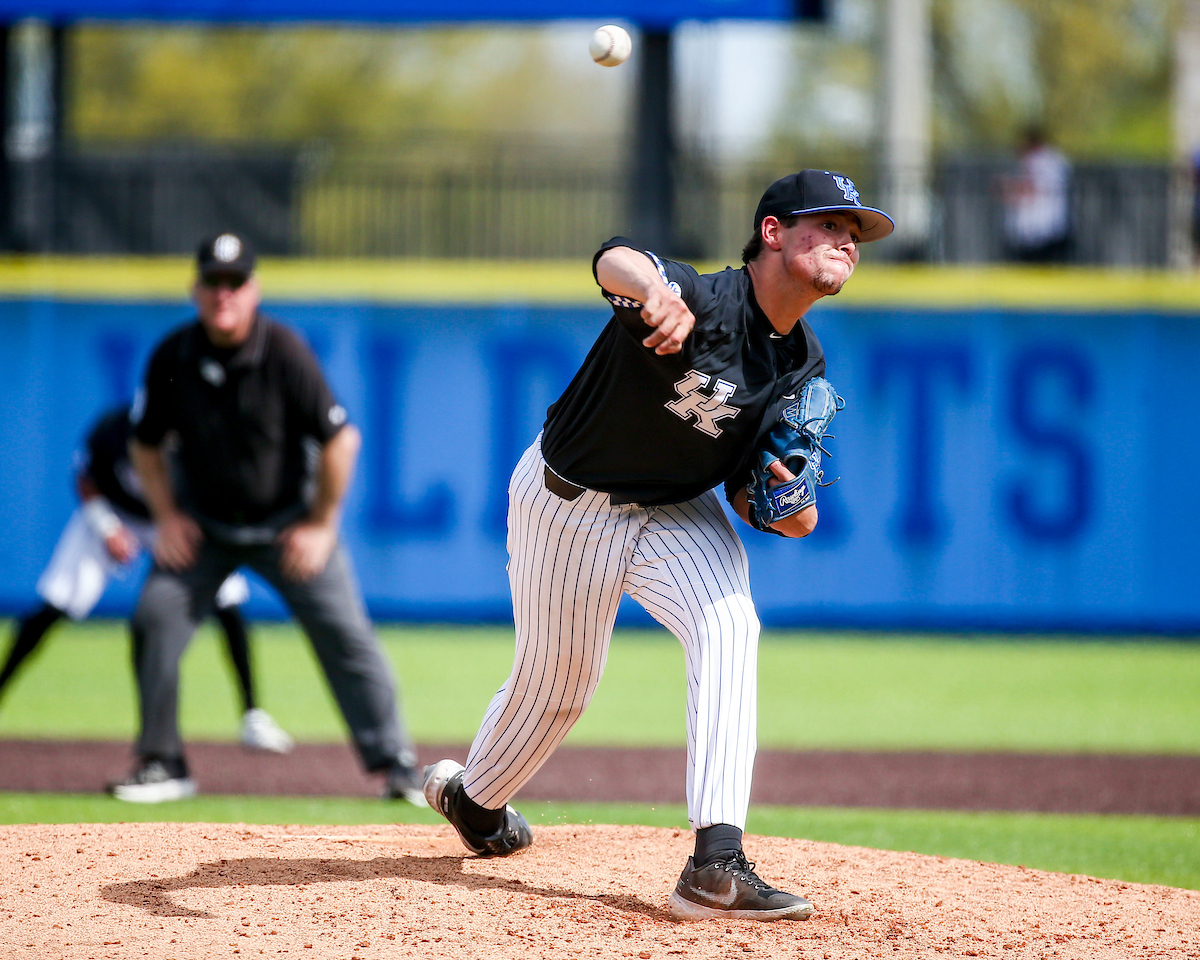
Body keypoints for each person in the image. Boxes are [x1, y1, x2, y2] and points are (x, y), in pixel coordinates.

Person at [423, 170, 894, 921]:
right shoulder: (702, 299)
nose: (845, 240)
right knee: (559, 688)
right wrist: (653, 291)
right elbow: (613, 258)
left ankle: (715, 864)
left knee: (730, 623)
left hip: (676, 509)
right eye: (827, 224)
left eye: (854, 232)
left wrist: (780, 506)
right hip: (569, 504)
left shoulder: (802, 366)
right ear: (771, 231)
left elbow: (749, 489)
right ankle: (472, 803)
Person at [107, 232, 423, 805]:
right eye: (213, 282)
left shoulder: (283, 351)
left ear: (252, 290)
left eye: (234, 283)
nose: (223, 293)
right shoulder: (174, 355)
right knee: (155, 617)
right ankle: (162, 761)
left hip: (287, 526)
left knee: (347, 635)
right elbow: (145, 445)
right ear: (196, 289)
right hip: (204, 529)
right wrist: (167, 516)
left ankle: (396, 764)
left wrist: (323, 524)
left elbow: (341, 440)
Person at [0, 404, 293, 755]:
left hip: (174, 520)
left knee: (228, 598)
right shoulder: (113, 429)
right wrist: (108, 529)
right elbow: (86, 479)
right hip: (115, 513)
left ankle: (253, 715)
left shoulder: (198, 435)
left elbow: (217, 492)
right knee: (59, 599)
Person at [1000, 126, 1072, 263]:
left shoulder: (1038, 161)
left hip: (1039, 228)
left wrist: (1007, 187)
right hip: (1053, 225)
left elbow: (1030, 188)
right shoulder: (1057, 159)